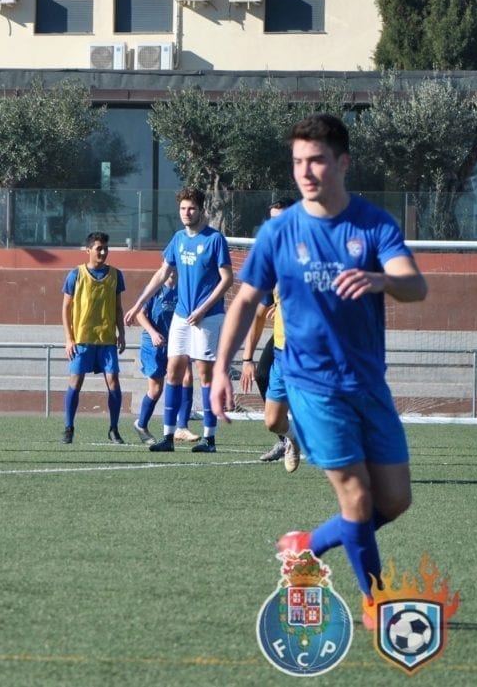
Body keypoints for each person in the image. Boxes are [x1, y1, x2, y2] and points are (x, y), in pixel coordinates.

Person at [211, 114, 428, 631]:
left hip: (369, 385)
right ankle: (378, 602)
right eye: (298, 162)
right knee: (356, 496)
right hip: (312, 387)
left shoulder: (374, 224)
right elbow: (246, 300)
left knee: (394, 501)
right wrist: (222, 367)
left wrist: (379, 279)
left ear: (342, 162)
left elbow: (414, 286)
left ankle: (307, 546)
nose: (306, 172)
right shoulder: (279, 231)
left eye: (316, 160)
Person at [124, 187, 233, 453]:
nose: (187, 212)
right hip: (182, 317)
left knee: (204, 374)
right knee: (173, 370)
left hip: (208, 317)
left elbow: (227, 278)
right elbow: (161, 274)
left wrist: (205, 308)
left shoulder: (214, 239)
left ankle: (209, 439)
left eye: (192, 208)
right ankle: (168, 437)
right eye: (183, 208)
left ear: (201, 210)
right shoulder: (178, 239)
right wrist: (138, 303)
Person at [238, 199, 299, 471]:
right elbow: (257, 312)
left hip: (314, 348)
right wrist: (246, 358)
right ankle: (291, 439)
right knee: (272, 420)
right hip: (283, 348)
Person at [60, 232, 127, 444]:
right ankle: (69, 427)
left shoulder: (116, 275)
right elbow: (66, 308)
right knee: (76, 381)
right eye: (99, 248)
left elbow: (118, 308)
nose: (103, 252)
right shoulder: (76, 274)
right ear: (88, 250)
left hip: (106, 339)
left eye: (106, 248)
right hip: (82, 338)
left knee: (113, 381)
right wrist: (69, 339)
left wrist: (121, 334)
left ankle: (114, 429)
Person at [132, 270, 180, 445]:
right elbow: (139, 313)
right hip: (152, 345)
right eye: (170, 268)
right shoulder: (154, 288)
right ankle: (141, 424)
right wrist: (153, 333)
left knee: (181, 380)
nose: (173, 272)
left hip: (174, 344)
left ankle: (181, 427)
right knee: (156, 389)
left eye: (177, 268)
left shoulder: (182, 290)